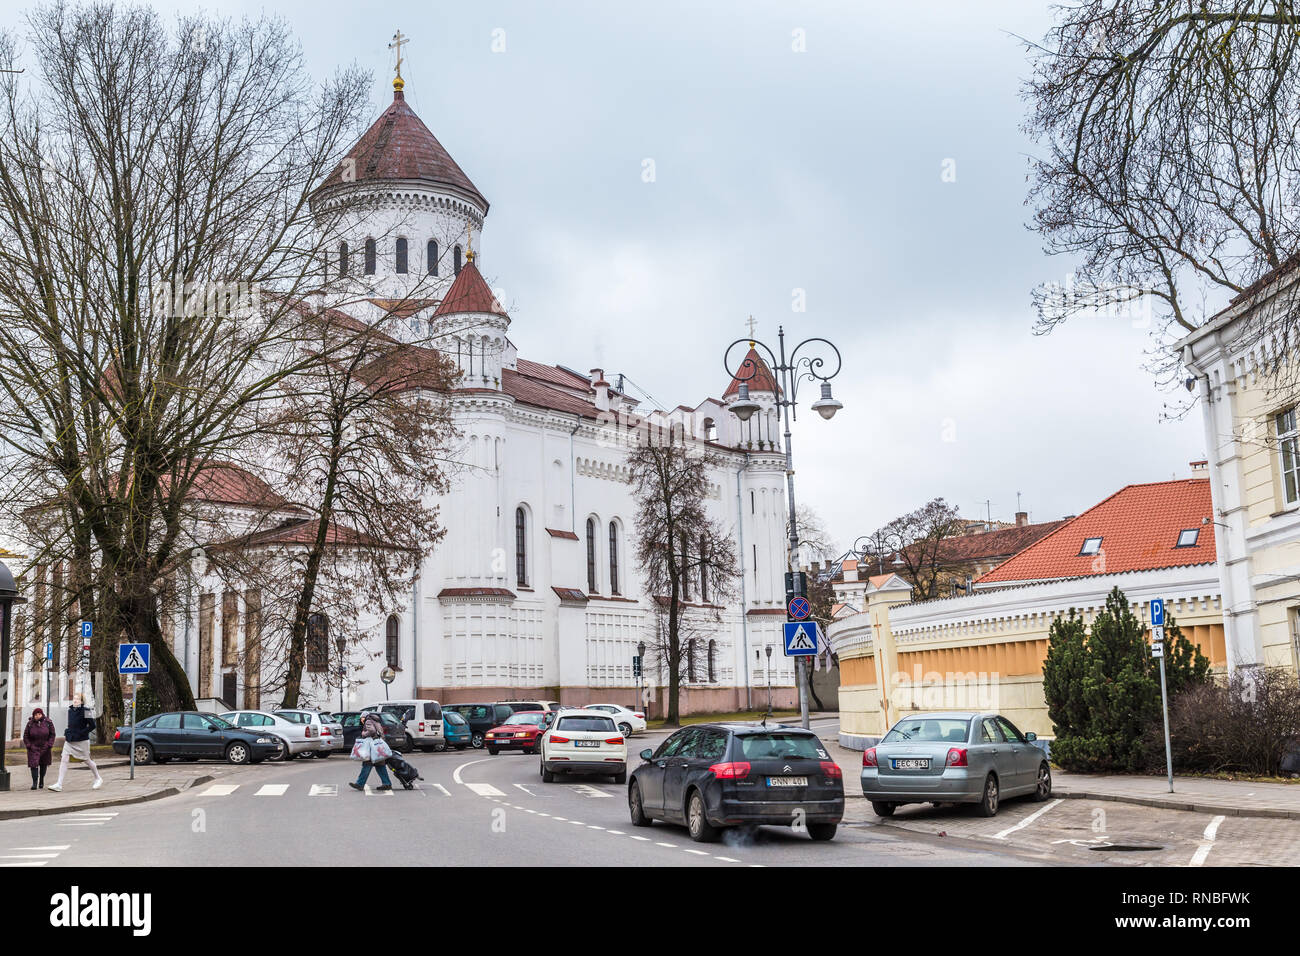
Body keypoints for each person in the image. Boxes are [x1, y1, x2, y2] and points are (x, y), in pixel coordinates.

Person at [47, 692, 103, 792]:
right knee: (64, 758)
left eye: (77, 699)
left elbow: (92, 726)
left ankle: (98, 778)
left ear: (81, 701)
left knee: (87, 760)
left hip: (82, 740)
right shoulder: (70, 710)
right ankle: (59, 784)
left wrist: (82, 732)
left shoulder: (86, 711)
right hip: (70, 739)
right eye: (74, 699)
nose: (75, 700)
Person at [349, 711, 392, 792]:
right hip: (378, 746)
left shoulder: (368, 721)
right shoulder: (376, 720)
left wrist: (364, 734)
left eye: (361, 718)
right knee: (380, 766)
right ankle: (387, 783)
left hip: (373, 747)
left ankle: (360, 784)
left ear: (364, 717)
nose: (361, 720)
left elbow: (372, 731)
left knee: (367, 765)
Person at [21, 707, 56, 789]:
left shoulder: (48, 722)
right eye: (36, 714)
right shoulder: (30, 724)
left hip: (45, 747)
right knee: (33, 765)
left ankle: (41, 780)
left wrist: (49, 744)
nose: (37, 716)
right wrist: (29, 745)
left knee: (43, 765)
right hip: (33, 747)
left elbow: (52, 734)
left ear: (42, 714)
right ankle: (34, 783)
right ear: (33, 715)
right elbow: (25, 736)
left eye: (39, 714)